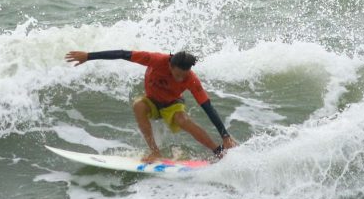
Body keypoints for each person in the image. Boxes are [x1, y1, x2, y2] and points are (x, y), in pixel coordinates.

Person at [65, 49, 237, 161]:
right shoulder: (155, 60)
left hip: (172, 104)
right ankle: (155, 151)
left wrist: (225, 135)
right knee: (139, 106)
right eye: (177, 74)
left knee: (182, 119)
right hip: (152, 102)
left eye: (183, 76)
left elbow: (207, 106)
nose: (180, 79)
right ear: (170, 65)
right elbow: (123, 54)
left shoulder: (191, 79)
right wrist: (88, 56)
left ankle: (218, 151)